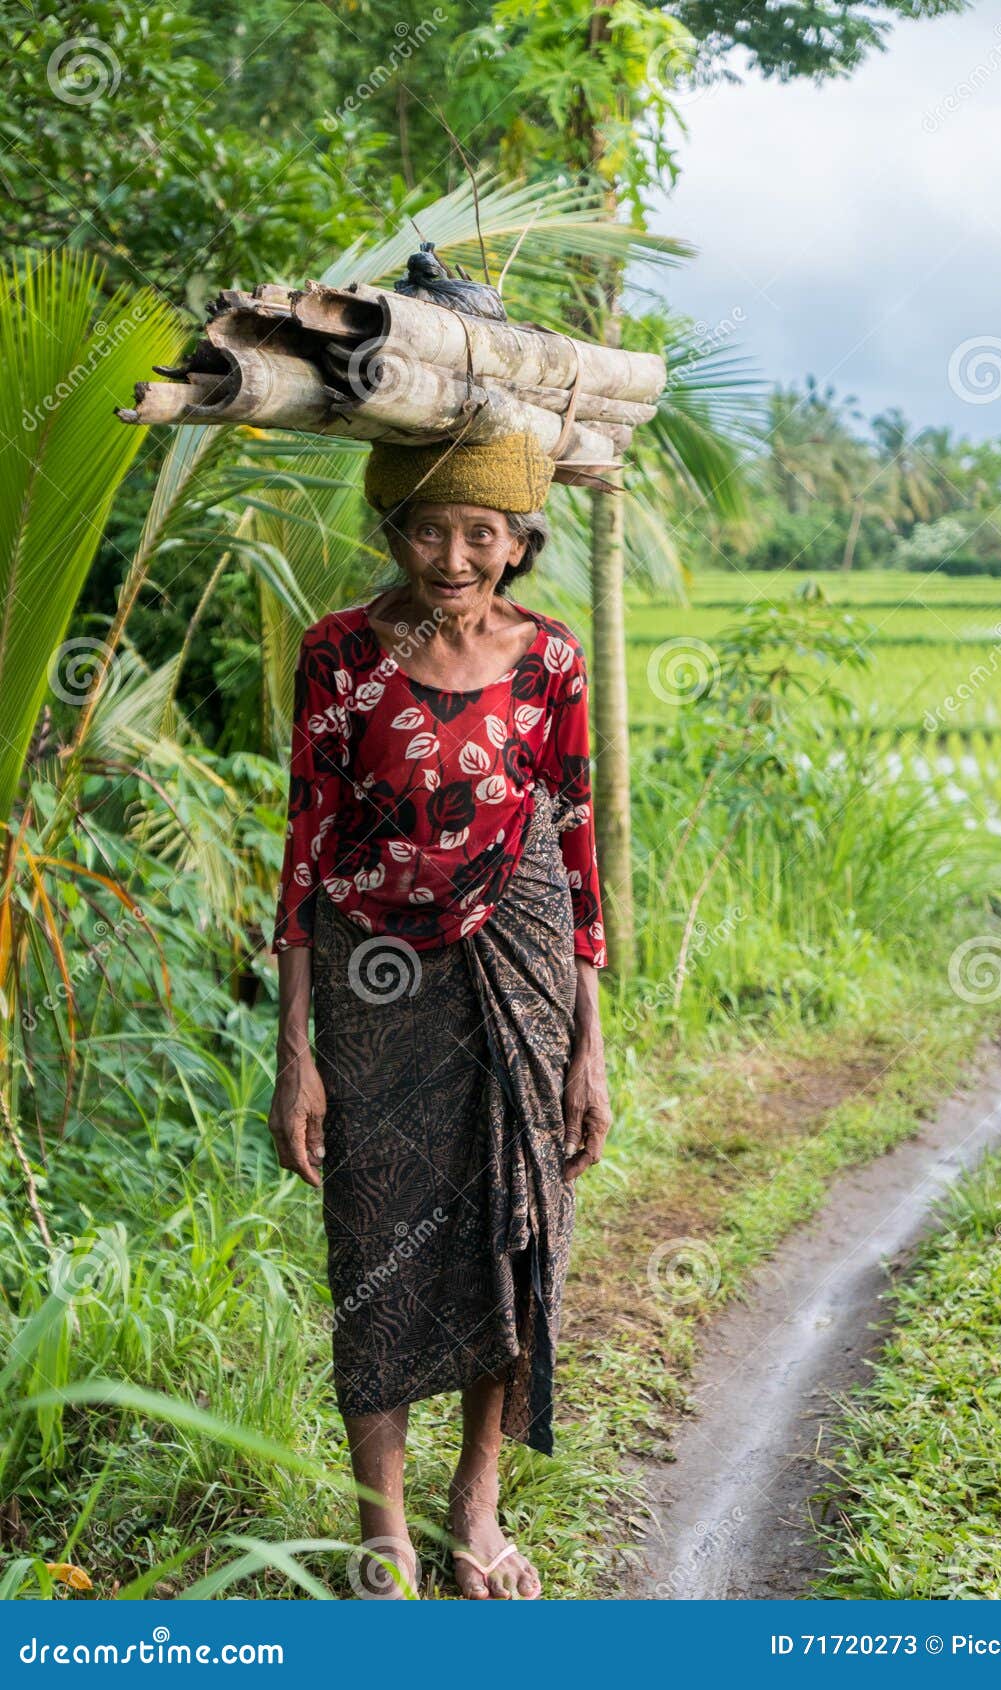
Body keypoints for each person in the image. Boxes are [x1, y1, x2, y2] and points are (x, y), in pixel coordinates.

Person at [266, 428, 613, 1600]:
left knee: (508, 1227)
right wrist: (293, 1052)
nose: (453, 555)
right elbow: (307, 843)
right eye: (428, 526)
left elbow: (573, 847)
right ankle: (384, 1530)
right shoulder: (338, 654)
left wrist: (588, 1047)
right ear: (393, 530)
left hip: (518, 967)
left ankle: (474, 1505)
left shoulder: (549, 659)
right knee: (374, 1235)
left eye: (481, 531)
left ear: (519, 540)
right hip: (375, 977)